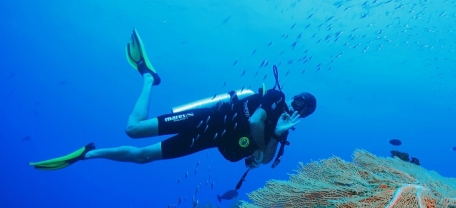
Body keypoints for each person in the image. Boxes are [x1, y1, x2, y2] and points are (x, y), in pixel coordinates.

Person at [30, 29, 317, 171]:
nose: (297, 108)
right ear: (293, 97)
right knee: (133, 129)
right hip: (206, 118)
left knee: (144, 157)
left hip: (206, 140)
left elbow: (264, 162)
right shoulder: (276, 97)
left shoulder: (282, 131)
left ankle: (87, 154)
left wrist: (276, 134)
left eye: (303, 110)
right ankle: (148, 78)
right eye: (299, 102)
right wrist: (263, 138)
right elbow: (255, 121)